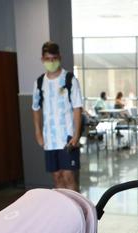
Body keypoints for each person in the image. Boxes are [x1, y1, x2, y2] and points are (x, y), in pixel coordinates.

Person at [32, 41, 83, 191]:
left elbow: (77, 108)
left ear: (59, 57)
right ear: (43, 60)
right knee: (57, 177)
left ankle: (76, 212)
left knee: (69, 176)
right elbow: (35, 108)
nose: (51, 62)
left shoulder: (70, 80)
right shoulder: (39, 82)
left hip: (67, 139)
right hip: (50, 140)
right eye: (48, 59)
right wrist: (38, 132)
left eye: (54, 58)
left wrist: (76, 134)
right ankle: (63, 211)